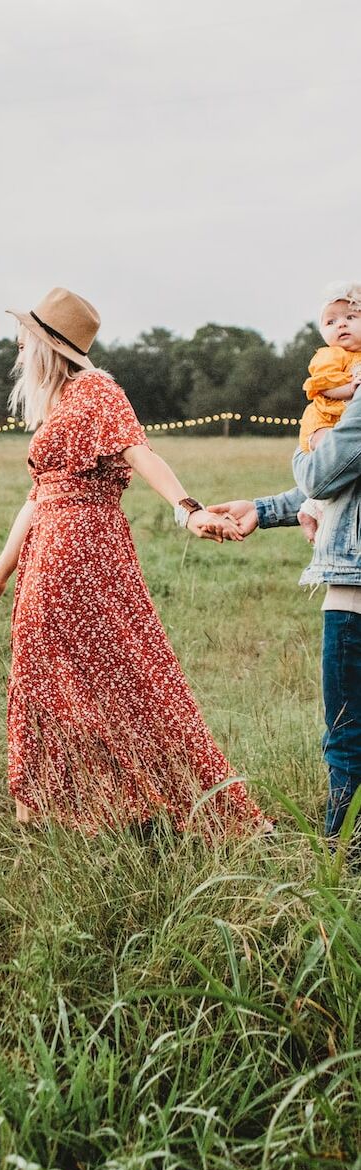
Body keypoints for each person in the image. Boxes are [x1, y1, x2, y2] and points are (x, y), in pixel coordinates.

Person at [0, 286, 268, 835]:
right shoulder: (59, 402)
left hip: (83, 551)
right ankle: (57, 809)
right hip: (48, 552)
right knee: (47, 677)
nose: (16, 346)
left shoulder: (97, 391)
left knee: (120, 676)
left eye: (24, 337)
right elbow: (36, 500)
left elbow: (140, 451)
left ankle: (136, 802)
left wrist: (187, 508)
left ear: (47, 344)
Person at [209, 359, 361, 852]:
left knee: (346, 737)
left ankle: (343, 859)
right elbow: (349, 474)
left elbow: (321, 476)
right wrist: (265, 508)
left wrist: (309, 437)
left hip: (354, 596)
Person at [297, 283, 361, 538]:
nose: (341, 325)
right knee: (330, 458)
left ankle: (310, 508)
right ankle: (313, 508)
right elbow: (322, 385)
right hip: (324, 419)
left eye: (350, 317)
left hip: (341, 420)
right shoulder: (331, 355)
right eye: (331, 322)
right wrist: (350, 388)